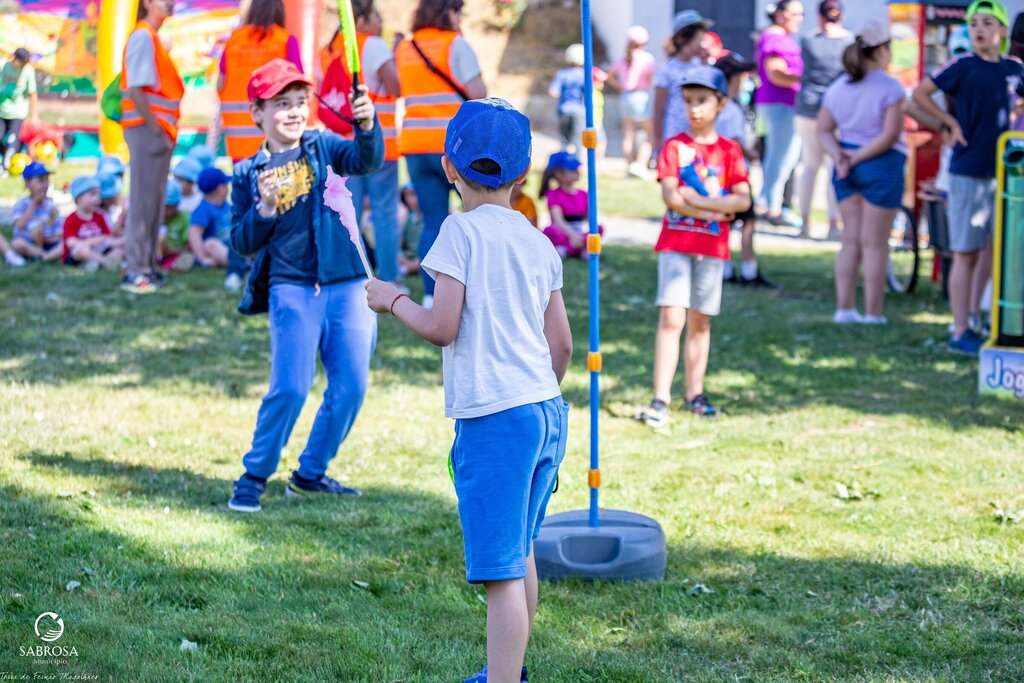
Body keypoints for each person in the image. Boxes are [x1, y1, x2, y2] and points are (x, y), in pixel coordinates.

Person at [364, 97, 572, 683]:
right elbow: (561, 344)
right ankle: (513, 670)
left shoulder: (458, 232)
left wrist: (393, 299)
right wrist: (537, 394)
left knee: (501, 572)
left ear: (448, 167)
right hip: (545, 412)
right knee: (521, 550)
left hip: (497, 421)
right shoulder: (537, 240)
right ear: (523, 174)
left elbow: (442, 326)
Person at [226, 59, 382, 513]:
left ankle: (311, 473)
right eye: (282, 104)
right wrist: (264, 210)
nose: (294, 111)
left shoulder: (324, 146)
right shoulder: (247, 173)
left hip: (350, 285)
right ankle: (254, 476)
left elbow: (367, 160)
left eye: (300, 102)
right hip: (292, 290)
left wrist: (367, 125)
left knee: (351, 387)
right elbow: (241, 242)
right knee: (291, 388)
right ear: (257, 112)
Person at [637, 66, 752, 426]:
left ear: (721, 104)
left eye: (702, 101)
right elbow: (672, 196)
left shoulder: (730, 150)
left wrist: (698, 201)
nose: (694, 109)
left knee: (701, 321)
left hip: (712, 249)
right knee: (671, 317)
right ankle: (661, 397)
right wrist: (716, 210)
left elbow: (743, 199)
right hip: (676, 243)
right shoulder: (675, 146)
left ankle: (695, 393)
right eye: (688, 101)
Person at [912, 0, 1024, 354]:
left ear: (1002, 31)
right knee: (965, 251)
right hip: (967, 172)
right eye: (974, 23)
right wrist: (948, 124)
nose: (979, 30)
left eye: (988, 23)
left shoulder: (1013, 68)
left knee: (993, 250)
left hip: (1003, 175)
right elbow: (919, 95)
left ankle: (977, 316)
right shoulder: (962, 66)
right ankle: (959, 328)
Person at [396, 0, 486, 308]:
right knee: (478, 216)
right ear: (449, 12)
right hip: (454, 146)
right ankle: (475, 288)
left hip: (415, 145)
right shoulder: (455, 43)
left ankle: (431, 294)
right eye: (459, 11)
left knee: (432, 221)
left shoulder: (406, 48)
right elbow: (479, 94)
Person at [818, 22, 907, 325]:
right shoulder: (891, 88)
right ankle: (873, 313)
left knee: (851, 240)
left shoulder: (838, 87)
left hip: (845, 166)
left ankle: (844, 309)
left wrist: (840, 157)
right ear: (882, 50)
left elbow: (824, 130)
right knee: (875, 244)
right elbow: (890, 134)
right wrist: (858, 157)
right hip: (881, 165)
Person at [329, 0, 405, 292]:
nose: (380, 23)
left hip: (343, 146)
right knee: (384, 212)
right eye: (376, 17)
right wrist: (396, 53)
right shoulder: (373, 45)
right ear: (360, 21)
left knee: (348, 214)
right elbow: (397, 87)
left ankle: (353, 278)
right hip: (377, 145)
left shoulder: (330, 49)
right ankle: (389, 278)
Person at [119, 0, 185, 293]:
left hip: (156, 132)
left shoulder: (152, 38)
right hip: (148, 131)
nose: (169, 3)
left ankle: (147, 266)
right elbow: (136, 90)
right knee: (143, 202)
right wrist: (156, 128)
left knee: (153, 203)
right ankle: (136, 268)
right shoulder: (143, 36)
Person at [714, 52, 777, 288]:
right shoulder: (730, 109)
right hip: (735, 174)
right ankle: (749, 271)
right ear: (733, 78)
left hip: (719, 174)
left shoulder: (718, 107)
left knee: (725, 223)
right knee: (747, 223)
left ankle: (726, 268)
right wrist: (752, 154)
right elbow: (734, 141)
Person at [219, 0, 302, 162]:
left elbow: (220, 85)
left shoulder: (233, 41)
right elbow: (299, 89)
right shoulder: (285, 40)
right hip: (277, 141)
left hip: (238, 143)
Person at [796, 0, 852, 236]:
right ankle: (833, 224)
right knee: (834, 166)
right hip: (838, 110)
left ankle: (805, 223)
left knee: (810, 166)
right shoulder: (850, 42)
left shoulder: (807, 40)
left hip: (808, 108)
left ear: (819, 16)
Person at [755, 0, 805, 228]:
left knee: (784, 157)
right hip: (779, 104)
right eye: (795, 14)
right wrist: (808, 78)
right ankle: (770, 206)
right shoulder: (775, 39)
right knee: (780, 157)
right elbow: (776, 73)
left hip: (781, 104)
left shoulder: (779, 37)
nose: (799, 19)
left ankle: (767, 204)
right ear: (780, 15)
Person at [652, 11, 712, 155]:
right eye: (698, 39)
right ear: (682, 39)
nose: (701, 44)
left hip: (697, 137)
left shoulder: (700, 66)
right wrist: (658, 142)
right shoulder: (667, 70)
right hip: (674, 139)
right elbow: (658, 111)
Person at [188, 166, 246, 290]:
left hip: (234, 244)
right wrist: (203, 259)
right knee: (211, 244)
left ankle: (246, 260)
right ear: (220, 189)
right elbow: (194, 234)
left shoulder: (226, 205)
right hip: (219, 248)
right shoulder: (203, 209)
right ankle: (243, 263)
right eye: (226, 185)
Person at [609, 26, 656, 177]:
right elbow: (650, 79)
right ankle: (640, 165)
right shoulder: (647, 58)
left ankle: (629, 166)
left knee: (628, 133)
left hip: (625, 96)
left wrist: (620, 87)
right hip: (640, 96)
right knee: (649, 133)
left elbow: (610, 75)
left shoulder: (623, 58)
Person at [540, 151, 602, 259]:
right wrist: (572, 235)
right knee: (550, 231)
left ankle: (576, 248)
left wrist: (586, 236)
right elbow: (558, 221)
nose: (577, 171)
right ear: (558, 173)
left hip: (579, 232)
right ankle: (571, 249)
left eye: (576, 169)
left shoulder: (583, 194)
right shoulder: (553, 195)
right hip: (564, 232)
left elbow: (589, 220)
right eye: (572, 170)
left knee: (598, 228)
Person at [62, 176, 124, 272]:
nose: (97, 199)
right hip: (79, 255)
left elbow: (107, 238)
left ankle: (95, 264)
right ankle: (104, 262)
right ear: (79, 198)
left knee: (120, 250)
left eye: (98, 194)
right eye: (92, 194)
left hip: (98, 251)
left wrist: (123, 240)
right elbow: (71, 243)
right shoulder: (71, 219)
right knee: (81, 250)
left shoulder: (99, 216)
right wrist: (93, 241)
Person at [9, 161, 60, 263]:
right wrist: (34, 204)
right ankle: (44, 255)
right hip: (26, 242)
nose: (45, 184)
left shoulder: (51, 206)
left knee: (66, 243)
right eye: (41, 180)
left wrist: (47, 239)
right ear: (27, 184)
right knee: (16, 244)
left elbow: (59, 231)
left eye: (47, 180)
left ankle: (44, 255)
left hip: (46, 243)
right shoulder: (21, 204)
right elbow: (20, 224)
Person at [0, 48, 38, 174]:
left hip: (17, 113)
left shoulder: (28, 71)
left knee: (12, 140)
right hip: (2, 110)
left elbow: (33, 93)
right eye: (22, 62)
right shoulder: (4, 66)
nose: (23, 65)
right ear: (15, 59)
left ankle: (7, 166)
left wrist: (34, 115)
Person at [549, 43, 588, 154]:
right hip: (579, 111)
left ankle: (563, 161)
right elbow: (589, 92)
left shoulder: (562, 74)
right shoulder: (584, 75)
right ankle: (576, 162)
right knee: (578, 142)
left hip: (564, 110)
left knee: (564, 141)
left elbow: (553, 92)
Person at [157, 179, 194, 272]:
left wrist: (171, 250)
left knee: (187, 257)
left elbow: (188, 246)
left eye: (170, 208)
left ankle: (173, 267)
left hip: (176, 254)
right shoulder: (154, 217)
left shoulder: (185, 218)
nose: (166, 212)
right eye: (164, 207)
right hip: (155, 253)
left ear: (177, 205)